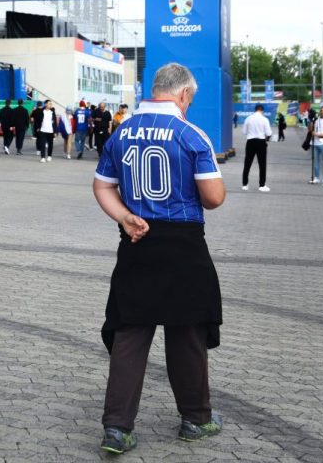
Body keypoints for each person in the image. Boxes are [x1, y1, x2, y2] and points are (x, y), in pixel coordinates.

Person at [93, 63, 225, 454]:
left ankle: (117, 429)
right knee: (187, 332)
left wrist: (125, 216)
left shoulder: (122, 132)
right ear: (183, 94)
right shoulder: (191, 134)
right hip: (183, 244)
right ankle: (195, 419)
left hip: (137, 239)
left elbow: (102, 186)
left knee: (130, 333)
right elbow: (213, 198)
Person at [241, 104, 272, 192]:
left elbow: (244, 132)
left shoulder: (248, 118)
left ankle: (245, 184)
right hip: (261, 142)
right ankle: (262, 185)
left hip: (250, 141)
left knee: (247, 163)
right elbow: (269, 133)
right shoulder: (265, 119)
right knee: (262, 164)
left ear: (255, 110)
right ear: (262, 110)